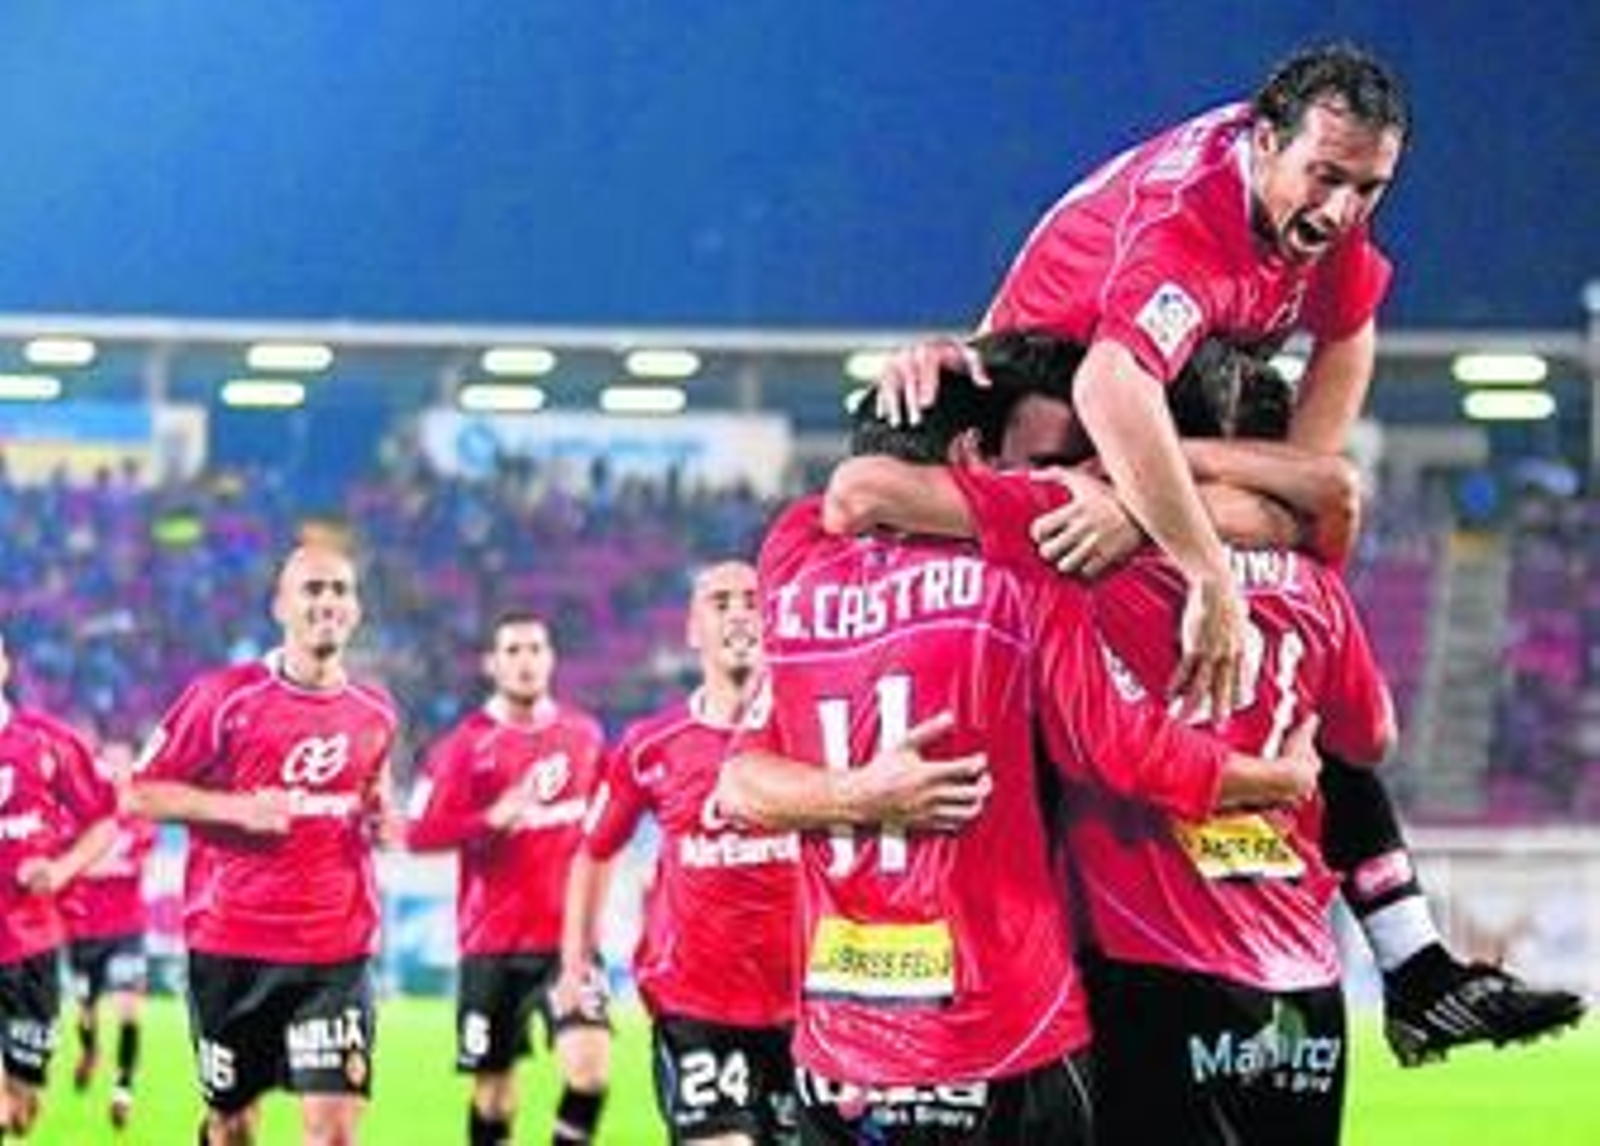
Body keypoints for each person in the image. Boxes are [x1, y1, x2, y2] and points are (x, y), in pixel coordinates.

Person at [873, 43, 1581, 1065]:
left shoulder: (1317, 217)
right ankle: (995, 977)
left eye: (1367, 187)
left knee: (1300, 586)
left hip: (1142, 416)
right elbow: (1108, 391)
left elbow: (1348, 338)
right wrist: (1203, 558)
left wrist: (1271, 500)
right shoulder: (1187, 222)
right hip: (1054, 411)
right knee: (1059, 698)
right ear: (1263, 143)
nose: (1341, 208)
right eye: (1325, 178)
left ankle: (1415, 967)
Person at [717, 365, 1320, 1144]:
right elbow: (1125, 750)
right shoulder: (1025, 563)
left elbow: (738, 783)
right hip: (1003, 1034)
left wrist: (860, 794)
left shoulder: (793, 557)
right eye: (1028, 463)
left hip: (841, 1045)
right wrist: (1277, 778)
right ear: (975, 455)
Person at [127, 543, 400, 1146]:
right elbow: (139, 795)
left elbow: (375, 793)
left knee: (333, 1131)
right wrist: (236, 809)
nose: (327, 602)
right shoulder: (223, 696)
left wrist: (383, 819)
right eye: (311, 590)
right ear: (280, 606)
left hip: (335, 951)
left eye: (339, 590)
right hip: (231, 949)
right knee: (233, 1127)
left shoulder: (374, 709)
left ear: (355, 609)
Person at [556, 561, 799, 1146]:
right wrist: (575, 966)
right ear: (693, 630)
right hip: (697, 1007)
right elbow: (593, 852)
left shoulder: (812, 734)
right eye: (720, 602)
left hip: (807, 1010)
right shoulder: (650, 745)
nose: (739, 612)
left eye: (752, 601)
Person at [406, 612, 610, 1146]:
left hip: (569, 945)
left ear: (551, 658)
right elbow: (416, 833)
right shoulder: (462, 746)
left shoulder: (584, 735)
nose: (525, 661)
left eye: (535, 649)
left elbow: (606, 826)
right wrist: (486, 820)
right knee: (495, 1095)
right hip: (493, 946)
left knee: (589, 1071)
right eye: (513, 651)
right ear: (492, 664)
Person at [0, 633, 118, 1140]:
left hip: (32, 946)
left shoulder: (44, 741)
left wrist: (62, 870)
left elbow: (105, 821)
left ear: (4, 665)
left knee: (23, 1107)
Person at [60, 736, 157, 1130]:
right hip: (83, 930)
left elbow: (123, 865)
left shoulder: (140, 817)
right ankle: (89, 1050)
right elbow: (71, 863)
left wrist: (86, 863)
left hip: (126, 929)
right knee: (85, 1010)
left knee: (130, 1008)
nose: (116, 769)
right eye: (109, 761)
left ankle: (123, 1089)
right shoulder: (82, 812)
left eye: (123, 762)